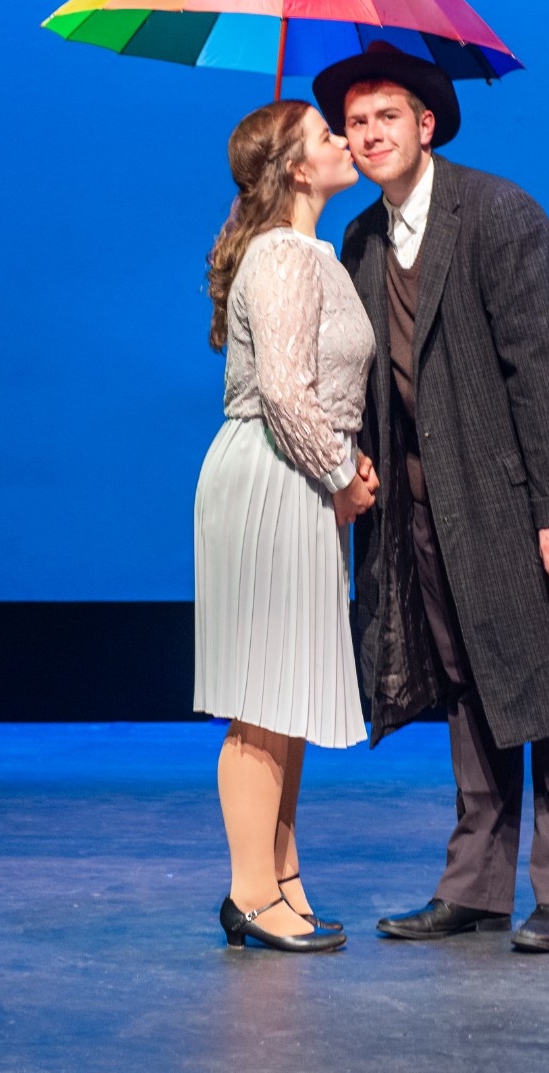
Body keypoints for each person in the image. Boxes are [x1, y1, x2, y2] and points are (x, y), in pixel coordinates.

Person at [312, 45, 549, 952]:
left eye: (387, 116)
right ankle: (476, 886)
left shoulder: (498, 214)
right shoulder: (364, 241)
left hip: (520, 499)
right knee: (469, 689)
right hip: (426, 509)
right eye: (356, 122)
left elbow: (546, 367)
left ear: (426, 124)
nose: (369, 134)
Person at [193, 100, 377, 954]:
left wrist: (340, 470)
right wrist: (342, 477)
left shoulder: (309, 252)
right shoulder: (283, 255)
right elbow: (285, 394)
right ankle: (249, 894)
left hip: (296, 476)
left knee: (286, 694)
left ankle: (281, 881)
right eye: (326, 134)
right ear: (298, 168)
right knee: (261, 701)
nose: (344, 141)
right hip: (276, 474)